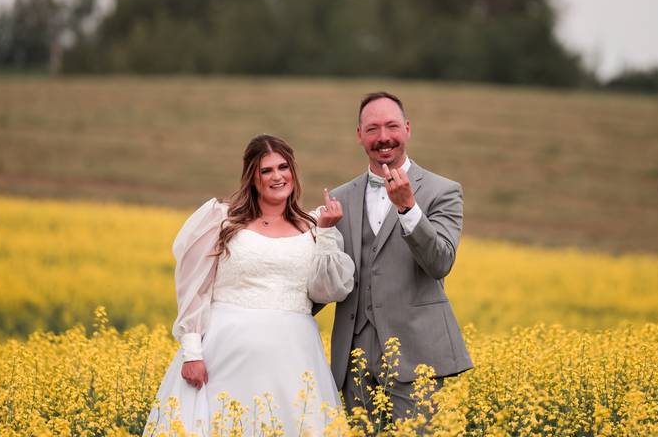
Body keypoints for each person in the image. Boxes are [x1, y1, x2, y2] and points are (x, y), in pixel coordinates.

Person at [144, 134, 355, 436]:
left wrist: (325, 234)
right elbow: (193, 287)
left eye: (283, 167)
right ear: (252, 178)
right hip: (224, 355)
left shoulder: (313, 226)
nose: (277, 176)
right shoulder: (223, 220)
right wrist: (192, 352)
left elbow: (329, 290)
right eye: (266, 170)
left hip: (293, 356)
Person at [323, 92, 473, 422]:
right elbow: (325, 279)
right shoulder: (338, 198)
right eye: (372, 128)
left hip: (417, 356)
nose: (383, 137)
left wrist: (408, 208)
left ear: (407, 128)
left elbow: (440, 263)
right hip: (354, 361)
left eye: (391, 126)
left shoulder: (443, 191)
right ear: (359, 134)